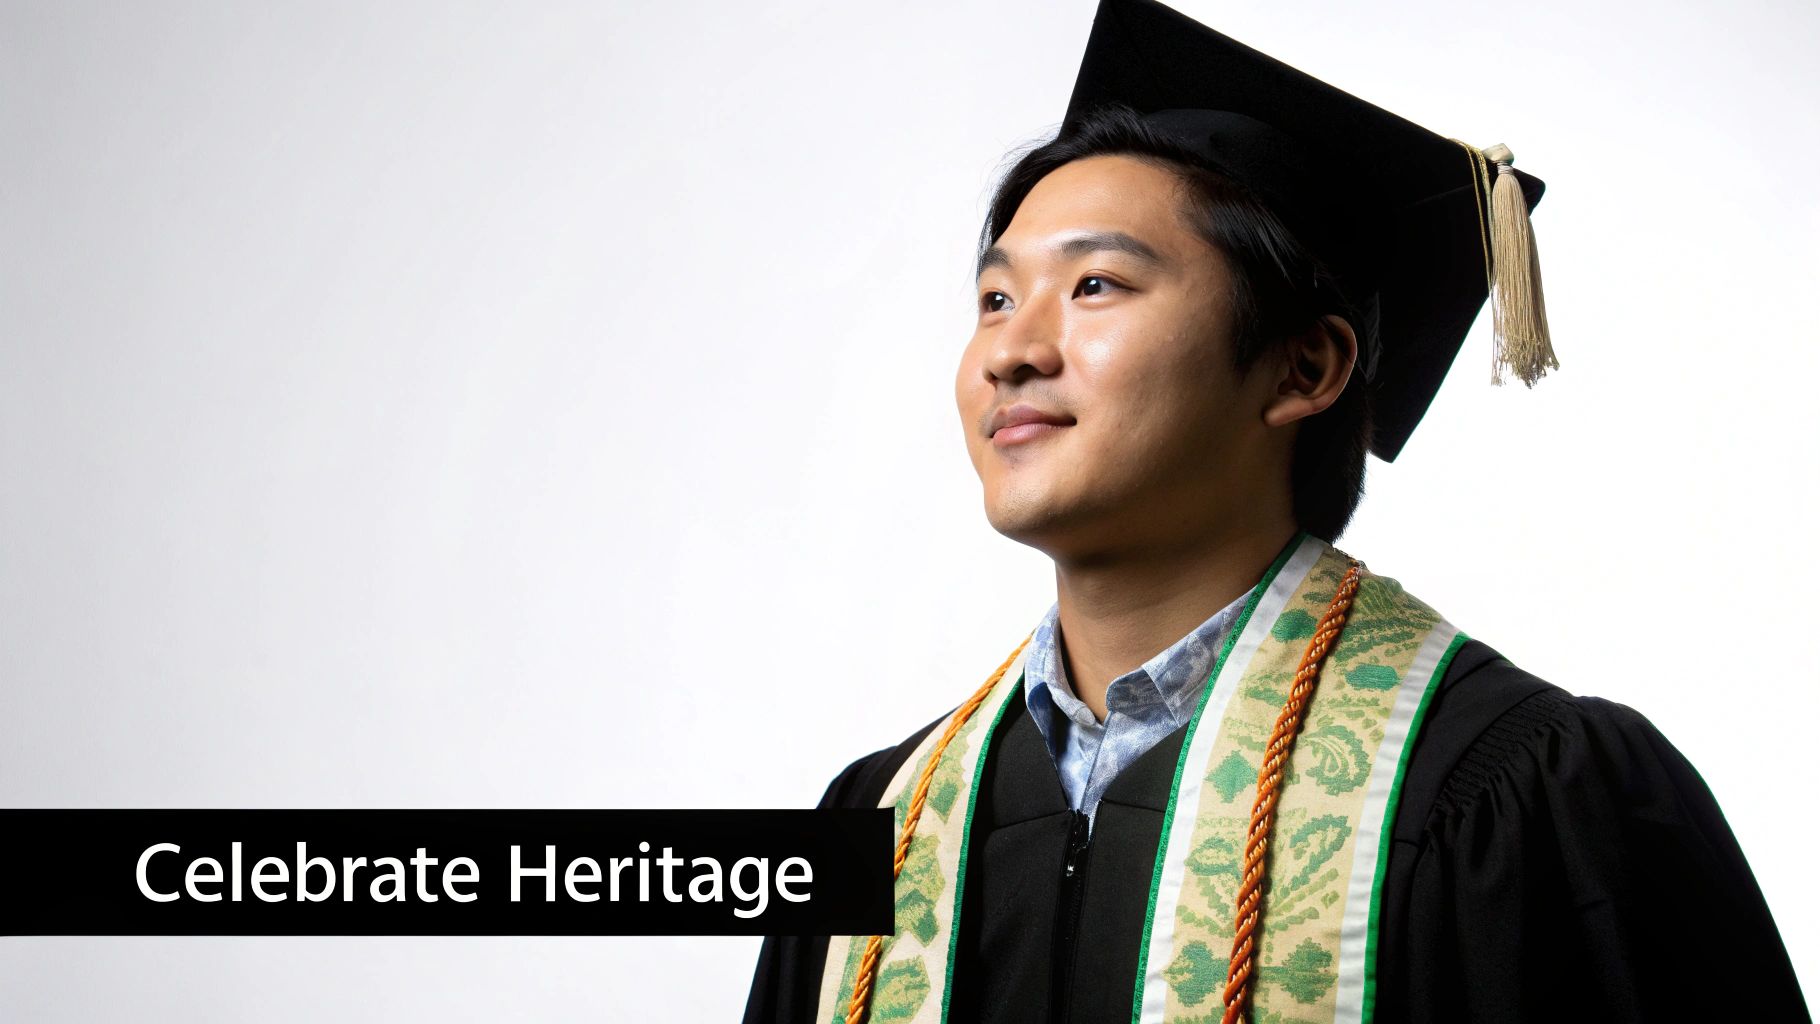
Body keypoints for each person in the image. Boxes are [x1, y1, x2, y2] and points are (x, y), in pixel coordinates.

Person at [742, 1, 1810, 1021]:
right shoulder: (878, 827)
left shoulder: (1516, 794)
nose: (1012, 350)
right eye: (993, 298)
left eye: (1096, 285)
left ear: (1303, 365)